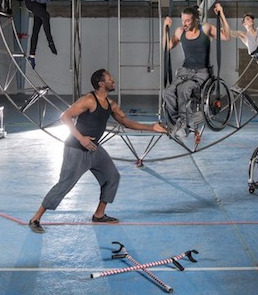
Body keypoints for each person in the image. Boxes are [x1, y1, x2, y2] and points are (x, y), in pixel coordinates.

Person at [28, 69, 167, 233]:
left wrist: (152, 127)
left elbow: (126, 121)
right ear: (101, 83)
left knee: (112, 177)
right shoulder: (88, 100)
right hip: (76, 148)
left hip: (94, 148)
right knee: (65, 184)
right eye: (110, 78)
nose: (113, 80)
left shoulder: (111, 104)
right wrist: (81, 138)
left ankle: (99, 215)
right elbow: (65, 117)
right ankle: (35, 218)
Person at [163, 4, 230, 136]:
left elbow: (226, 36)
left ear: (196, 20)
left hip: (201, 73)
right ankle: (178, 122)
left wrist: (221, 14)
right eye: (183, 20)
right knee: (168, 93)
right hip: (184, 71)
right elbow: (167, 46)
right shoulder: (180, 31)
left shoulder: (205, 29)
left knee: (184, 89)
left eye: (188, 20)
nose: (185, 23)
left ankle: (185, 125)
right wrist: (164, 28)